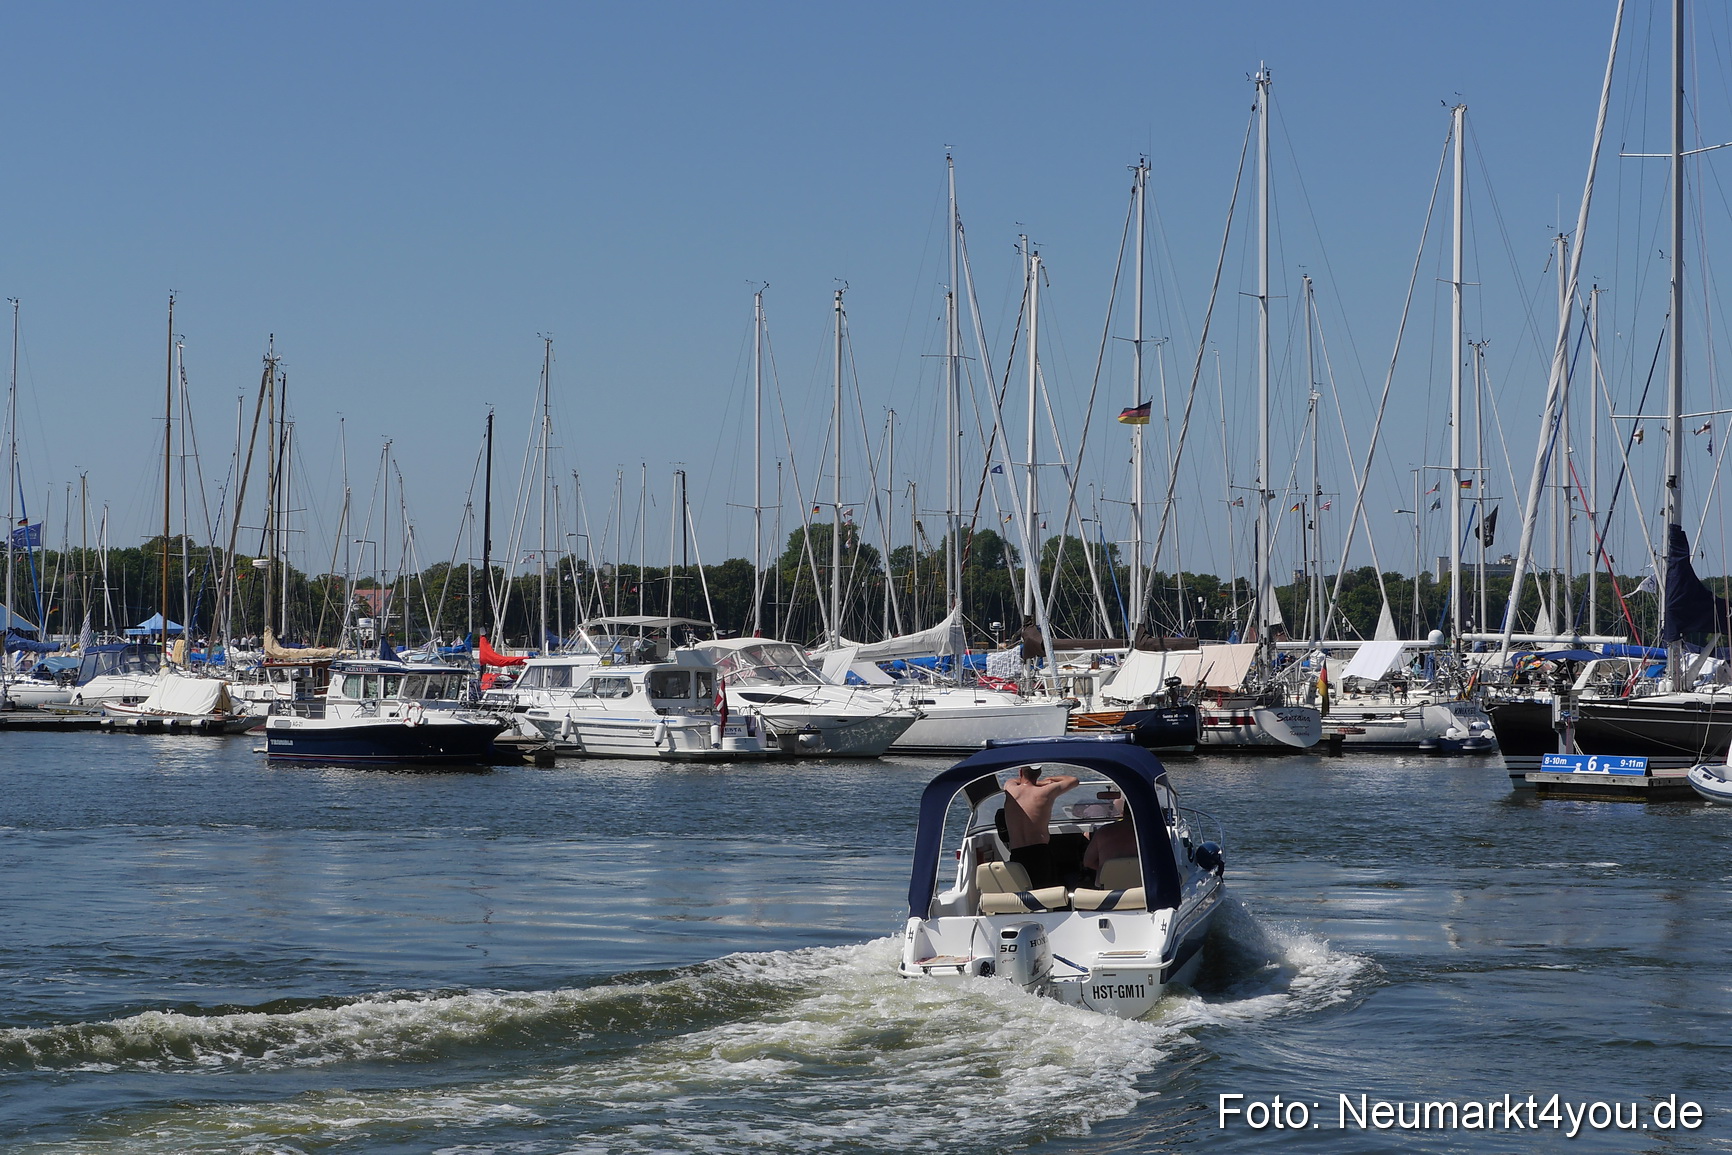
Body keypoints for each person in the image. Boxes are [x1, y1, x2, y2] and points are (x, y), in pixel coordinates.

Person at [1001, 764, 1080, 888]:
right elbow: (1073, 780)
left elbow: (1011, 781)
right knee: (1046, 896)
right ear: (1039, 773)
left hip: (1017, 853)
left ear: (1020, 772)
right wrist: (1047, 780)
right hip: (1039, 853)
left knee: (1023, 893)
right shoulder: (1045, 792)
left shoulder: (1010, 789)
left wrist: (1031, 781)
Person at [1083, 803, 1138, 885]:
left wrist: (1110, 869)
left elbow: (1088, 862)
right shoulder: (1152, 833)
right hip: (1142, 889)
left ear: (1123, 813)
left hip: (1107, 890)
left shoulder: (1103, 831)